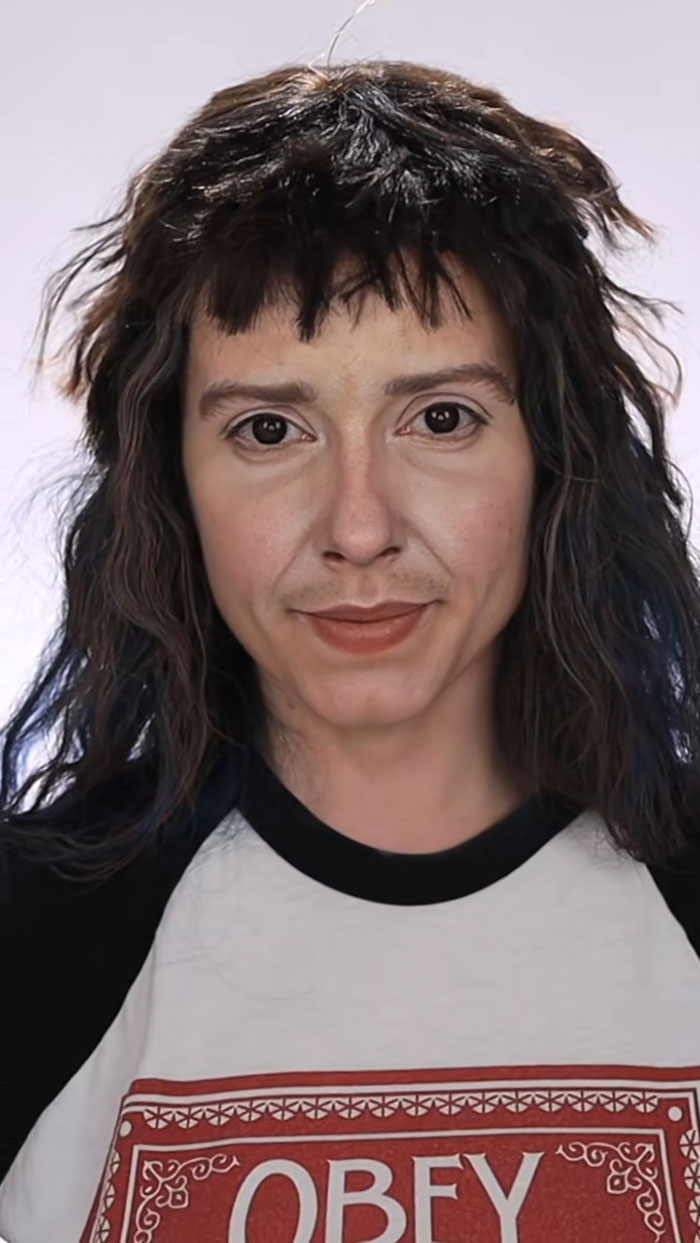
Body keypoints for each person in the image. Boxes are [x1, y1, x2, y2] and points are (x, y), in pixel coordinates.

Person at [1, 57, 699, 1242]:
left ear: (554, 460)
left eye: (442, 418)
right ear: (173, 480)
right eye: (269, 429)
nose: (359, 527)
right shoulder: (26, 946)